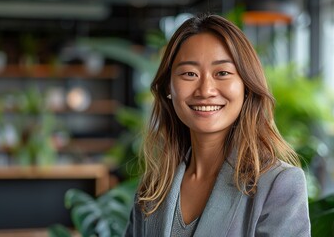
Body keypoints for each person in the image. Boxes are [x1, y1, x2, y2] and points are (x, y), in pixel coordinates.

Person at [124, 14, 311, 237]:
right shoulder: (153, 187)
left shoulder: (279, 184)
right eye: (189, 74)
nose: (205, 90)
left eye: (222, 73)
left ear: (246, 86)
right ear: (168, 87)